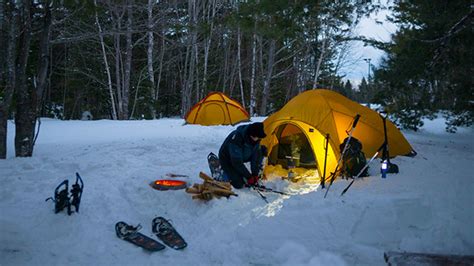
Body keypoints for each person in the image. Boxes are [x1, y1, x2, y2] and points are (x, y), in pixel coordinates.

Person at [218, 122, 267, 189]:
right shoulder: (236, 138)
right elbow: (237, 162)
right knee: (238, 184)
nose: (258, 139)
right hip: (227, 159)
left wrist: (255, 174)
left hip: (242, 155)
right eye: (257, 137)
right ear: (251, 135)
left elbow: (255, 157)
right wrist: (248, 177)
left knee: (262, 151)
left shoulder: (256, 140)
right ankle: (219, 171)